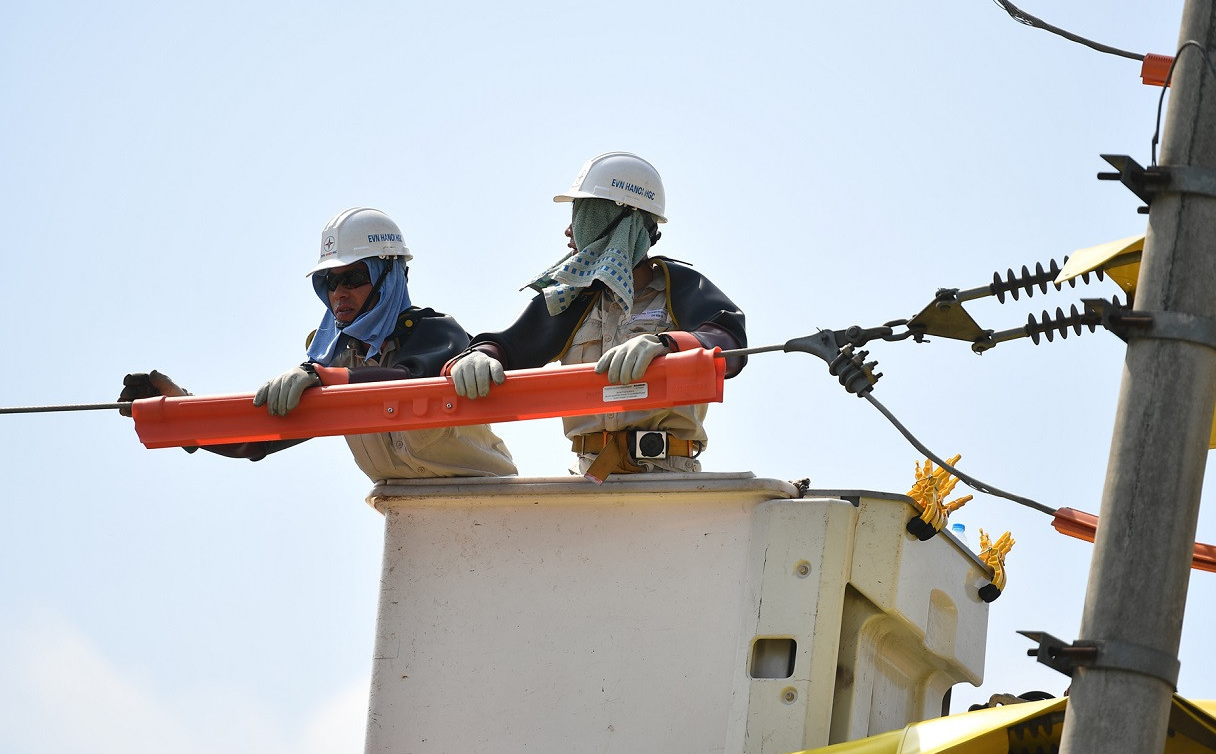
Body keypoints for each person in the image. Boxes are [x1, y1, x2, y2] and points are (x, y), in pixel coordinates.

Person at [119, 207, 517, 481]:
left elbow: (404, 381)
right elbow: (256, 437)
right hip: (408, 513)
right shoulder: (336, 360)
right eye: (329, 282)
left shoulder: (436, 334)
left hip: (492, 502)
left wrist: (326, 378)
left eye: (355, 278)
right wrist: (180, 414)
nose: (339, 293)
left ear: (391, 276)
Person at [445, 152, 746, 481]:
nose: (568, 231)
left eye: (581, 214)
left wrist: (667, 344)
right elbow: (510, 347)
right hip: (590, 476)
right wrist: (480, 356)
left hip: (668, 474)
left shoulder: (680, 288)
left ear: (618, 218)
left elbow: (729, 346)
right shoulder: (573, 299)